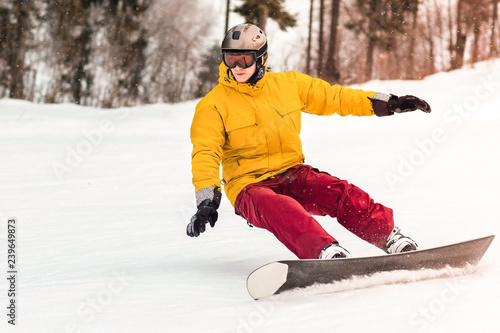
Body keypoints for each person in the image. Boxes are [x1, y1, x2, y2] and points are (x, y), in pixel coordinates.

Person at [187, 23, 431, 259]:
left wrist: (388, 102)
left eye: (245, 59)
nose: (237, 67)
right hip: (248, 187)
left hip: (292, 172)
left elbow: (336, 97)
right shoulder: (213, 104)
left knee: (339, 192)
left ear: (261, 57)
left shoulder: (288, 85)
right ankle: (324, 251)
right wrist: (206, 200)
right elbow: (205, 152)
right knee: (281, 208)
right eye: (230, 59)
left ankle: (389, 237)